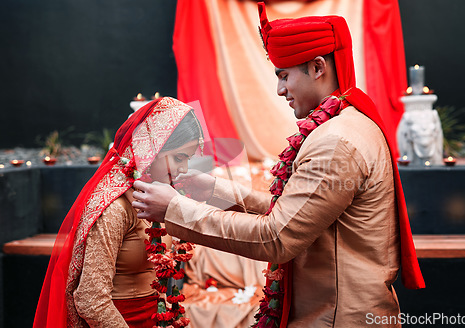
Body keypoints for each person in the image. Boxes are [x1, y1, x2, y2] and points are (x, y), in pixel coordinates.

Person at [132, 3, 425, 327]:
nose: (280, 89)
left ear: (317, 68)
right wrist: (213, 190)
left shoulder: (335, 143)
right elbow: (292, 213)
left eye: (285, 76)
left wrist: (175, 209)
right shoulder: (341, 126)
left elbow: (277, 238)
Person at [33, 97, 204, 328]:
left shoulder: (160, 200)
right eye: (178, 158)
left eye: (188, 159)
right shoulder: (116, 208)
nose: (184, 169)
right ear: (151, 149)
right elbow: (91, 301)